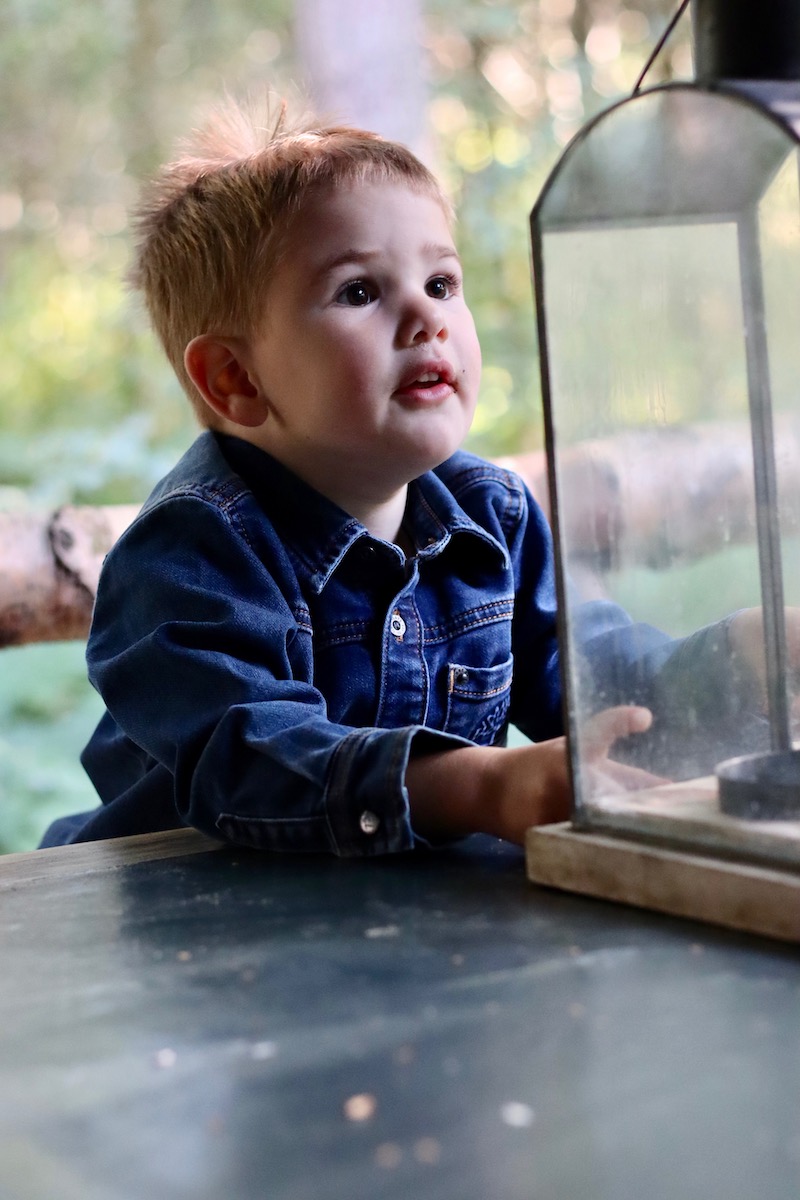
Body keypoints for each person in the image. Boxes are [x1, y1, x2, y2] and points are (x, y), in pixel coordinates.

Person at [40, 98, 740, 854]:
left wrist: (745, 659)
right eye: (360, 292)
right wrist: (480, 786)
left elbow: (594, 679)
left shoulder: (492, 516)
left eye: (441, 283)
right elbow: (245, 757)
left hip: (401, 917)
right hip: (189, 910)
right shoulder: (192, 553)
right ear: (236, 379)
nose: (427, 317)